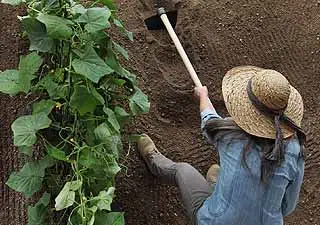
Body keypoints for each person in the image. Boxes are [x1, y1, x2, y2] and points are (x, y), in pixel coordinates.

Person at [137, 66, 306, 225]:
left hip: (216, 221)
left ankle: (153, 160)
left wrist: (203, 96)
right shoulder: (295, 150)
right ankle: (215, 185)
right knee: (220, 174)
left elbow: (209, 120)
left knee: (182, 170)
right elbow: (287, 207)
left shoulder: (231, 136)